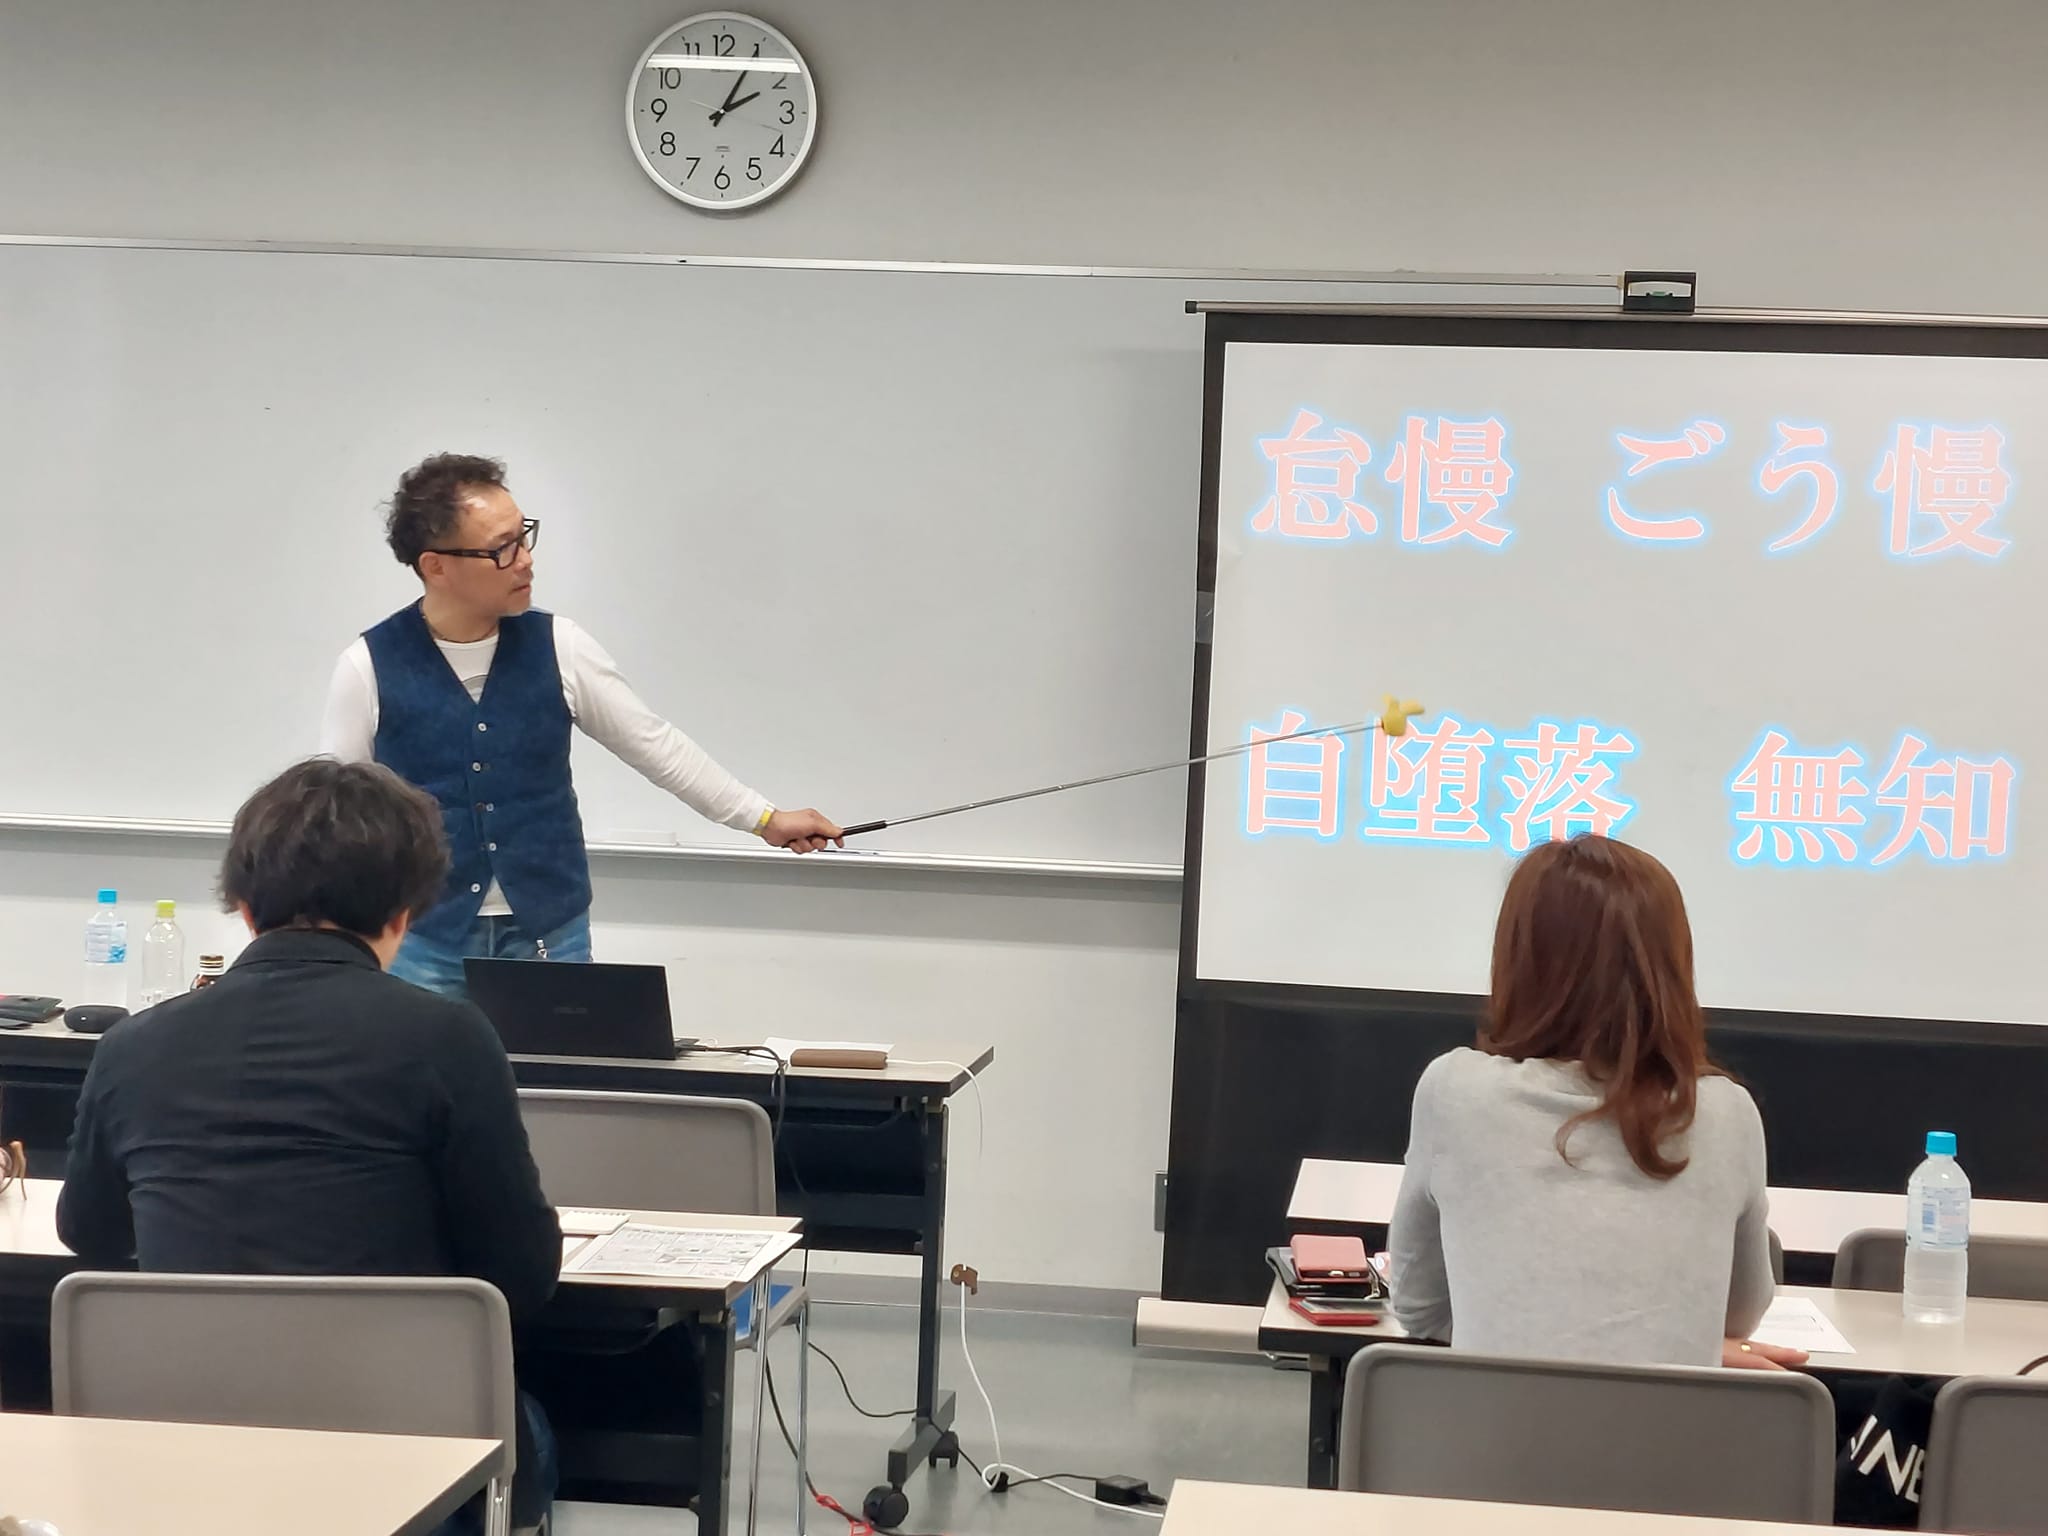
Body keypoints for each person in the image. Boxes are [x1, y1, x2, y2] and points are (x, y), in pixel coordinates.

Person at [57, 758, 564, 1531]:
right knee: (540, 1428)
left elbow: (88, 1232)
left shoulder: (132, 1045)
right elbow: (520, 1272)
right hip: (399, 1440)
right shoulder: (447, 1037)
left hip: (181, 1433)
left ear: (244, 907)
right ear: (404, 914)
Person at [320, 452, 842, 995]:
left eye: (524, 537)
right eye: (502, 548)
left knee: (556, 1056)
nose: (525, 561)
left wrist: (764, 819)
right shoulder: (367, 666)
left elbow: (656, 746)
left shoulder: (561, 646)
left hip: (548, 930)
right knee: (422, 1056)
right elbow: (334, 819)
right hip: (420, 939)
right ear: (436, 566)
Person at [1386, 833, 1775, 1368]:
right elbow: (1736, 1317)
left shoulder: (1454, 1090)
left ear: (1520, 960)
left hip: (1497, 1422)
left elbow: (1418, 1305)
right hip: (1675, 1424)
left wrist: (1521, 1334)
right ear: (1672, 966)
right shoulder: (1726, 1112)